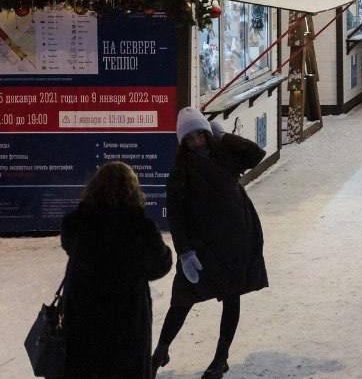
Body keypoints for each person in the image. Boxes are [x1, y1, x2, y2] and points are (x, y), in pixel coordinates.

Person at [154, 107, 267, 378]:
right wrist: (185, 252)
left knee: (232, 296)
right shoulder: (180, 170)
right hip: (201, 245)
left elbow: (256, 155)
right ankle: (160, 350)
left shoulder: (224, 154)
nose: (195, 142)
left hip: (235, 239)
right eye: (189, 138)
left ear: (207, 133)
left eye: (200, 134)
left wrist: (225, 137)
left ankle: (221, 358)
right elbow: (177, 216)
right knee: (182, 299)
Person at [60, 162, 172, 378]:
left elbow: (69, 248)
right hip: (127, 321)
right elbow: (160, 266)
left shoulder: (75, 223)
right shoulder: (140, 227)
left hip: (83, 315)